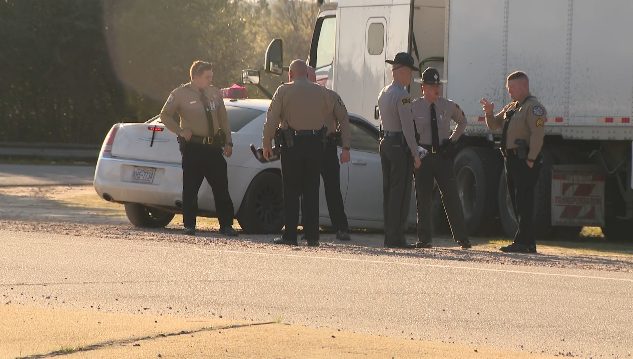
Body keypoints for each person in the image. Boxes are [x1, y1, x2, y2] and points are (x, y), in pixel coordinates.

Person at [160, 60, 238, 237]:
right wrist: (180, 131)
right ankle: (189, 225)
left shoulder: (214, 93)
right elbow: (165, 115)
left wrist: (228, 142)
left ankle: (226, 225)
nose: (210, 80)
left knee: (221, 187)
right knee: (191, 188)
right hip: (194, 148)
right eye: (207, 77)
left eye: (211, 76)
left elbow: (223, 119)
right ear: (195, 77)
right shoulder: (180, 94)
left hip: (213, 147)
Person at [262, 60, 334, 247]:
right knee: (311, 189)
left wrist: (266, 142)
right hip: (315, 144)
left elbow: (271, 118)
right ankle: (312, 236)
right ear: (307, 74)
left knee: (291, 190)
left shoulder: (283, 91)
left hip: (292, 145)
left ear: (291, 74)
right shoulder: (321, 91)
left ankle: (290, 235)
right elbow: (328, 108)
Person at [480, 71, 545, 253]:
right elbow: (494, 125)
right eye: (508, 88)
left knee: (524, 202)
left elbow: (538, 134)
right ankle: (528, 242)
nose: (510, 92)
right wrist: (489, 113)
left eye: (513, 88)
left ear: (524, 86)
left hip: (525, 160)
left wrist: (531, 158)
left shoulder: (534, 108)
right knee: (517, 202)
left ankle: (522, 241)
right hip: (511, 160)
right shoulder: (512, 107)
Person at [412, 67, 471, 249]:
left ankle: (462, 238)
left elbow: (463, 121)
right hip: (424, 155)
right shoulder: (414, 106)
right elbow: (407, 128)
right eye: (431, 85)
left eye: (438, 85)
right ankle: (424, 238)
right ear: (423, 87)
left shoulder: (448, 105)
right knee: (423, 198)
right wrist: (414, 150)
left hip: (443, 156)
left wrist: (452, 141)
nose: (436, 89)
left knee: (451, 195)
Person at [378, 52, 421, 249]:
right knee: (400, 192)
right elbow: (407, 128)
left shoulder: (384, 92)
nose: (411, 77)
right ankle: (397, 237)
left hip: (386, 142)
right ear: (402, 72)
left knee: (389, 191)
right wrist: (415, 153)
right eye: (410, 72)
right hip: (398, 146)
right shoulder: (403, 96)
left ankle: (389, 236)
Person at [305, 66, 352, 241]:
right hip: (307, 146)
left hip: (326, 148)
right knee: (308, 189)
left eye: (306, 76)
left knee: (332, 189)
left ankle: (340, 228)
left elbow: (344, 120)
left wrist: (346, 147)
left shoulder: (330, 96)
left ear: (313, 77)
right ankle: (309, 229)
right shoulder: (298, 98)